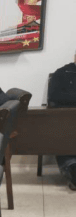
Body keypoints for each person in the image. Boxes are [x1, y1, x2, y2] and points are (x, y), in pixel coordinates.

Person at [47, 52, 76, 189]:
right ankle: (71, 168)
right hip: (65, 117)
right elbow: (54, 96)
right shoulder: (62, 73)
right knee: (62, 131)